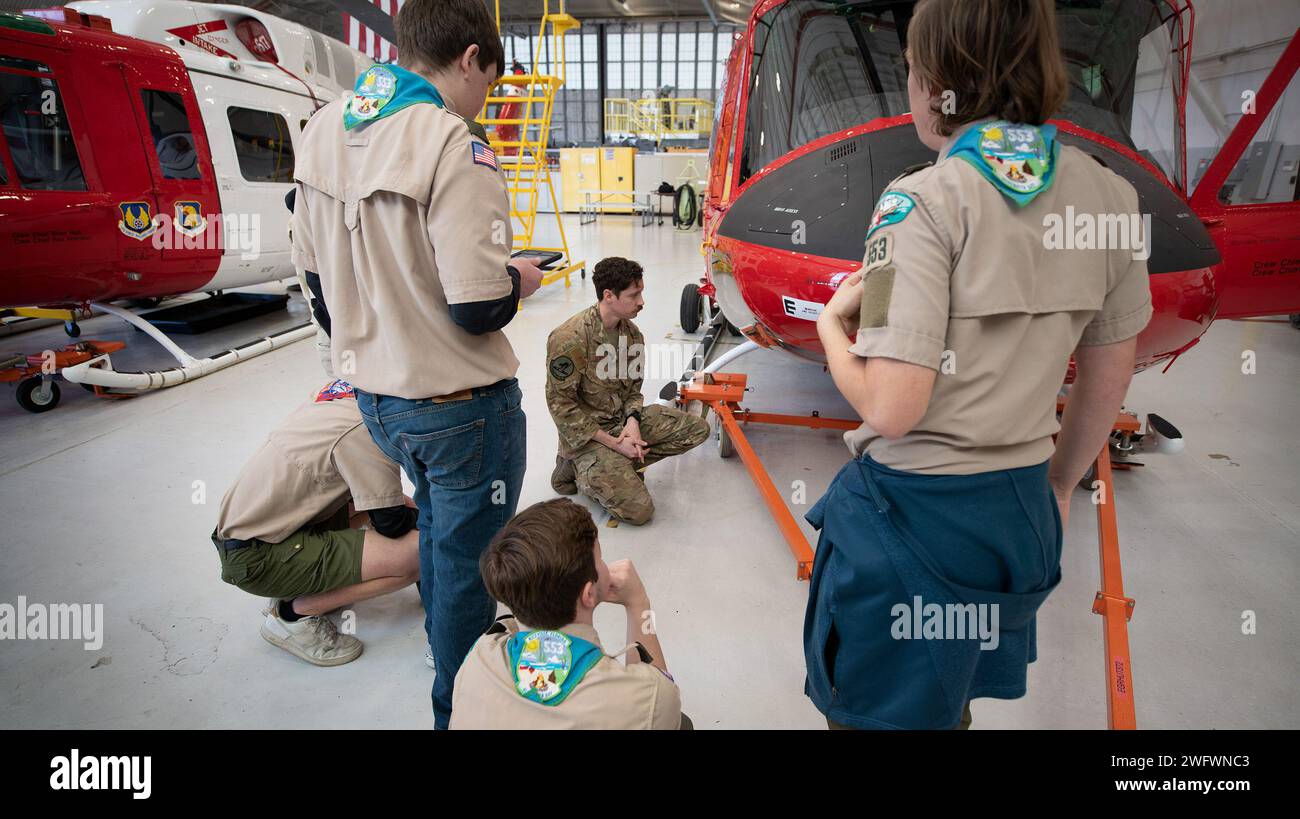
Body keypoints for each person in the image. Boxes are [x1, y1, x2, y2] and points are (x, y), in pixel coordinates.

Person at [804, 0, 1152, 729]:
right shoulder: (1113, 201)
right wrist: (1059, 482)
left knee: (876, 708)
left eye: (909, 70)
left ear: (937, 83)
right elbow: (1107, 375)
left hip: (916, 523)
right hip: (1016, 516)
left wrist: (834, 328)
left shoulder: (918, 205)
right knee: (948, 688)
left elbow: (892, 406)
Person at [290, 0, 546, 728]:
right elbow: (476, 306)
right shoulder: (452, 142)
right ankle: (459, 709)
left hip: (379, 400)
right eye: (489, 83)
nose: (484, 100)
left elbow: (314, 282)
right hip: (460, 404)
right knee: (470, 563)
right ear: (470, 59)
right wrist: (519, 278)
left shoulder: (322, 130)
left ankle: (445, 647)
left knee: (438, 532)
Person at [212, 380, 419, 666]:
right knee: (419, 552)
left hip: (262, 529)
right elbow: (391, 523)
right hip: (258, 558)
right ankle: (294, 613)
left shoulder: (346, 391)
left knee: (392, 504)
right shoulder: (365, 429)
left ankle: (304, 580)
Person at [450, 499, 688, 729]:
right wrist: (639, 604)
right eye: (600, 558)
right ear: (588, 594)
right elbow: (662, 694)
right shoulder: (644, 697)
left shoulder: (477, 657)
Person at [546, 257, 709, 524]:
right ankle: (576, 466)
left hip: (620, 423)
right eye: (634, 295)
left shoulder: (632, 336)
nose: (642, 301)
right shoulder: (569, 339)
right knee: (640, 512)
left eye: (641, 292)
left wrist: (632, 424)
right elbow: (561, 407)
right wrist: (615, 445)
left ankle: (612, 467)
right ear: (608, 296)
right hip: (587, 438)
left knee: (697, 430)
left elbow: (633, 390)